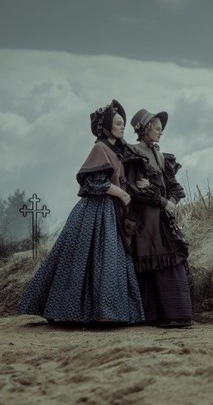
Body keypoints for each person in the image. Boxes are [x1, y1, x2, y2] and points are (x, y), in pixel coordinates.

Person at [18, 100, 145, 325]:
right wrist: (122, 194)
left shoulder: (116, 150)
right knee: (88, 260)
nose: (122, 127)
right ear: (106, 126)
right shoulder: (100, 148)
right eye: (118, 123)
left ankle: (108, 312)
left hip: (112, 212)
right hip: (96, 210)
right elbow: (93, 181)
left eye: (123, 123)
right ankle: (86, 312)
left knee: (109, 261)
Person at [126, 108, 192, 327]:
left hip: (163, 217)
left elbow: (174, 186)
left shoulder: (161, 155)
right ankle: (156, 316)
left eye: (161, 129)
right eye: (157, 128)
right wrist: (163, 200)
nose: (160, 132)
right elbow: (137, 190)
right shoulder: (134, 153)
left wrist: (170, 201)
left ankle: (177, 314)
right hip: (146, 218)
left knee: (171, 256)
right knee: (154, 258)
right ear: (145, 129)